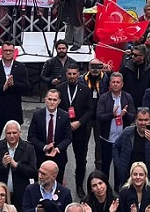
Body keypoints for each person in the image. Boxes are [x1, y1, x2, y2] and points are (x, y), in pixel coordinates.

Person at [56, 63, 94, 198]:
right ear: (66, 74)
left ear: (79, 74)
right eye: (69, 74)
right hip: (63, 129)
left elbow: (90, 110)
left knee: (81, 159)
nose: (72, 76)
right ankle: (58, 184)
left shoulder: (86, 90)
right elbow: (55, 107)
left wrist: (80, 122)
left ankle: (79, 185)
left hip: (80, 129)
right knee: (60, 157)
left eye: (74, 74)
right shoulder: (59, 89)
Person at [112, 108, 150, 188]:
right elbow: (115, 146)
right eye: (140, 120)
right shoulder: (127, 132)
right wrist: (119, 165)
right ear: (136, 120)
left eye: (146, 120)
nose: (143, 123)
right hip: (128, 179)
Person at [0, 120, 37, 209]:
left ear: (20, 133)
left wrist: (17, 165)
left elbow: (33, 172)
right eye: (9, 133)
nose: (12, 136)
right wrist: (2, 165)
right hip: (1, 195)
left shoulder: (28, 148)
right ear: (5, 133)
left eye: (14, 133)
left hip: (20, 194)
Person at [96, 72, 135, 187]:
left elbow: (133, 115)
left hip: (122, 139)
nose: (115, 84)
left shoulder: (127, 97)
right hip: (107, 138)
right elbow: (99, 116)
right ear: (110, 84)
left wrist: (126, 114)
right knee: (105, 165)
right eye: (113, 82)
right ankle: (104, 187)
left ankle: (118, 188)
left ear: (122, 84)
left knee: (120, 166)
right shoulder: (104, 97)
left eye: (118, 82)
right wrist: (112, 115)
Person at [0, 42, 30, 134]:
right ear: (1, 52)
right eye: (6, 50)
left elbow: (26, 87)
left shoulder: (21, 67)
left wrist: (13, 85)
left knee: (14, 138)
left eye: (10, 51)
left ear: (14, 52)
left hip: (14, 109)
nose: (8, 53)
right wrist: (3, 87)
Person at [27, 89, 72, 182]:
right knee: (39, 184)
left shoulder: (65, 116)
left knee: (57, 186)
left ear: (59, 101)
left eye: (54, 100)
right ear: (45, 100)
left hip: (59, 157)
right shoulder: (37, 115)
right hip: (40, 156)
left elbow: (68, 138)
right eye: (50, 99)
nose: (52, 102)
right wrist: (44, 147)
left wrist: (57, 148)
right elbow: (31, 136)